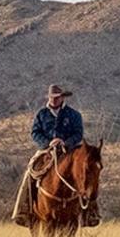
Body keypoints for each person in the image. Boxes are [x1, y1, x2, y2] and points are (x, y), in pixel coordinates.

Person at [11, 84, 97, 226]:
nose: (55, 100)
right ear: (49, 98)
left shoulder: (74, 115)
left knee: (87, 172)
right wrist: (48, 142)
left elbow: (78, 133)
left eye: (57, 98)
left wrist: (65, 142)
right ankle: (23, 209)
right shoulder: (42, 114)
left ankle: (91, 213)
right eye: (52, 98)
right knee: (30, 172)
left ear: (63, 97)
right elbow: (35, 133)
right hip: (47, 150)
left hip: (69, 151)